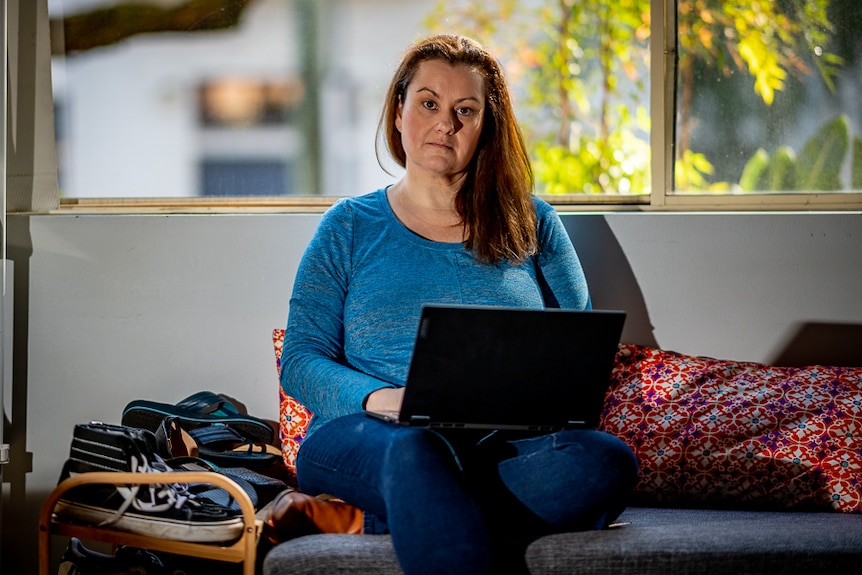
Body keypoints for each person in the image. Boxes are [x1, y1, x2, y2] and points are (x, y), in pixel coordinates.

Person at [279, 34, 638, 575]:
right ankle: (417, 496)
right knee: (418, 453)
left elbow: (579, 357)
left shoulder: (533, 223)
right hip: (375, 436)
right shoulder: (349, 226)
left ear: (486, 127)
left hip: (500, 446)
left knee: (604, 461)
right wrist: (384, 399)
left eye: (464, 111)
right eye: (428, 103)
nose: (444, 123)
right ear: (399, 113)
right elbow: (302, 362)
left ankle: (395, 514)